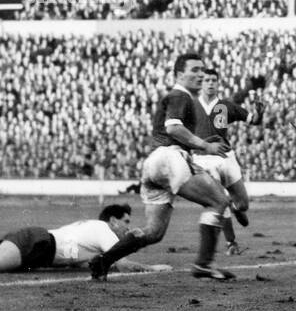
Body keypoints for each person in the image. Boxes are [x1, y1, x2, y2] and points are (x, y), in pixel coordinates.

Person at [88, 51, 234, 280]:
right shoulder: (180, 95)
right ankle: (204, 264)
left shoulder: (182, 98)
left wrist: (200, 144)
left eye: (202, 70)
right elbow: (174, 128)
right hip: (170, 159)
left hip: (154, 163)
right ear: (179, 74)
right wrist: (205, 146)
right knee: (219, 200)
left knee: (154, 233)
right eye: (194, 70)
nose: (200, 75)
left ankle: (103, 261)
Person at [0, 200, 168, 274]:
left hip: (36, 242)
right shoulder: (102, 230)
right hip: (38, 244)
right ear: (112, 220)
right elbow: (118, 262)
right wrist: (151, 268)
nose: (127, 228)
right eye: (125, 223)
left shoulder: (90, 228)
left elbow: (80, 256)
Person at [194, 67, 263, 255]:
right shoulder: (191, 106)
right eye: (206, 80)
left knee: (243, 204)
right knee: (220, 199)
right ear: (201, 83)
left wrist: (259, 112)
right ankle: (231, 243)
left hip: (226, 157)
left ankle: (236, 208)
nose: (210, 83)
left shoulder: (226, 106)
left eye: (213, 81)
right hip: (202, 160)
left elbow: (253, 120)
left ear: (218, 84)